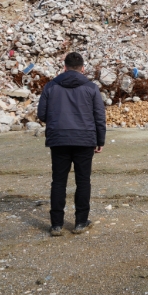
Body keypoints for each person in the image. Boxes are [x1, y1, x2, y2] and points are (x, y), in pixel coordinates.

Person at [37, 52, 106, 236]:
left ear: (64, 66)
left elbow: (42, 114)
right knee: (83, 181)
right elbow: (99, 116)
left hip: (59, 139)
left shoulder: (51, 86)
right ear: (83, 68)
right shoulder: (91, 88)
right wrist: (100, 140)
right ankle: (81, 222)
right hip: (84, 140)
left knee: (58, 181)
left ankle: (57, 225)